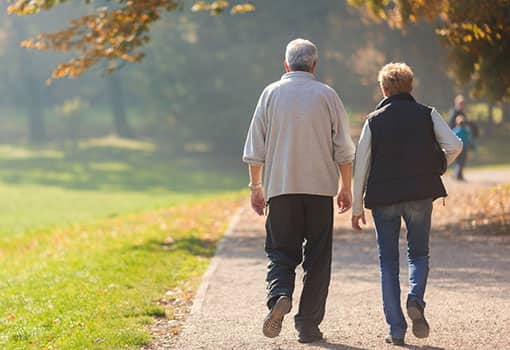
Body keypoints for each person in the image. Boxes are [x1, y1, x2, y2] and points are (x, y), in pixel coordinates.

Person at [242, 38, 355, 343]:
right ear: (314, 65)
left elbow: (256, 148)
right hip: (319, 192)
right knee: (318, 259)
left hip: (281, 189)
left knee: (280, 251)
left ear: (286, 64)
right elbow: (343, 149)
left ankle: (280, 294)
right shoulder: (327, 95)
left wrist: (256, 186)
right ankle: (308, 326)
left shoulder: (270, 94)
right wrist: (346, 187)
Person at [351, 63, 463, 346]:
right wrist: (438, 165)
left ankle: (396, 330)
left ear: (384, 89)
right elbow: (455, 145)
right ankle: (415, 299)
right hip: (420, 194)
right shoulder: (427, 114)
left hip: (383, 199)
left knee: (388, 263)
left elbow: (361, 163)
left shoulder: (373, 120)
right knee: (419, 254)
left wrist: (356, 206)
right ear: (411, 87)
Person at [452, 115, 474, 181]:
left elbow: (469, 139)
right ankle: (457, 175)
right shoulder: (465, 130)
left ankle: (458, 175)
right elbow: (469, 139)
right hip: (462, 148)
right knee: (461, 162)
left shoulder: (455, 130)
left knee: (459, 162)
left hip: (460, 148)